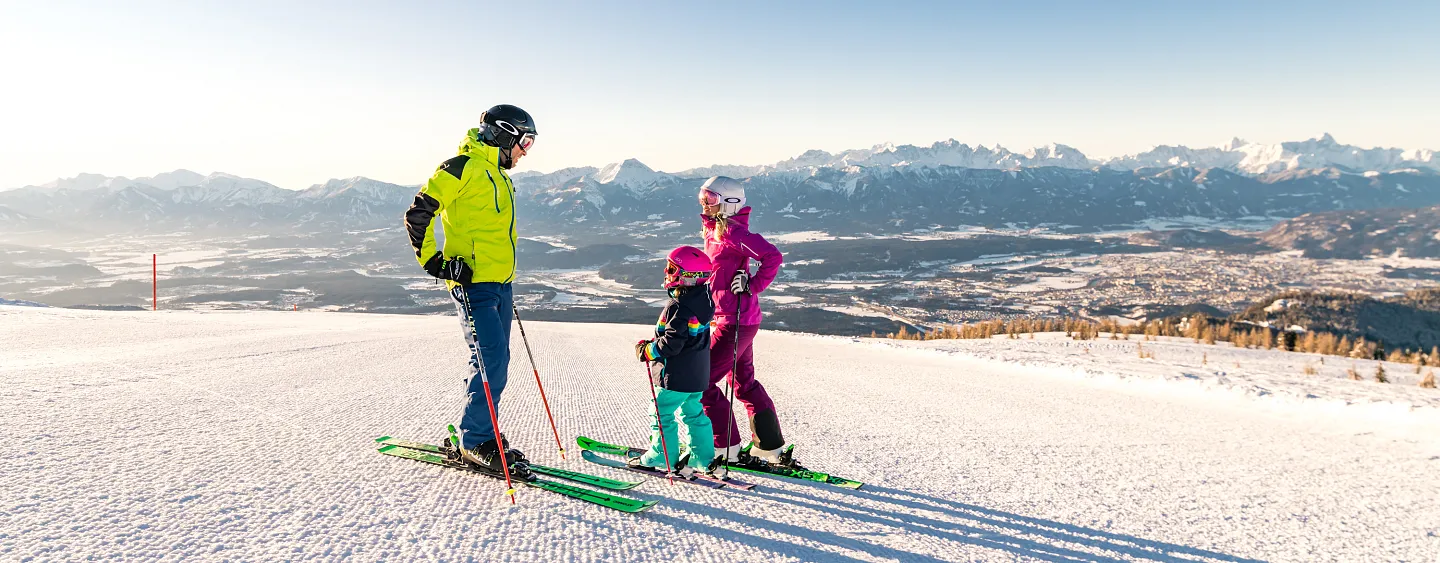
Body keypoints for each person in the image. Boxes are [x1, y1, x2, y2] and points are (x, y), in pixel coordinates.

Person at [403, 104, 537, 478]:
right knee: (490, 359)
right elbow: (418, 214)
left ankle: (481, 431)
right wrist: (436, 263)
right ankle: (474, 439)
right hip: (473, 285)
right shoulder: (460, 167)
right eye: (525, 142)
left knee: (497, 362)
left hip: (500, 285)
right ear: (504, 133)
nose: (525, 152)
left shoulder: (499, 175)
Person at [696, 176, 796, 468]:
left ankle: (724, 447)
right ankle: (770, 447)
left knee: (701, 381)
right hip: (736, 318)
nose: (704, 203)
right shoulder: (716, 230)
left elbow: (772, 256)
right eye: (702, 197)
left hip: (735, 321)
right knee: (743, 384)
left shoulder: (732, 232)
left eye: (711, 198)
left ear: (729, 202)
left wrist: (753, 285)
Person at [631, 246, 718, 477]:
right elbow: (684, 339)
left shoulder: (679, 307)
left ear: (688, 276)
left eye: (672, 269)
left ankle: (662, 456)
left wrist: (647, 351)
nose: (666, 272)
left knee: (661, 412)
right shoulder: (703, 300)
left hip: (676, 376)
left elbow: (672, 344)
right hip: (697, 375)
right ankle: (702, 457)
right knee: (694, 413)